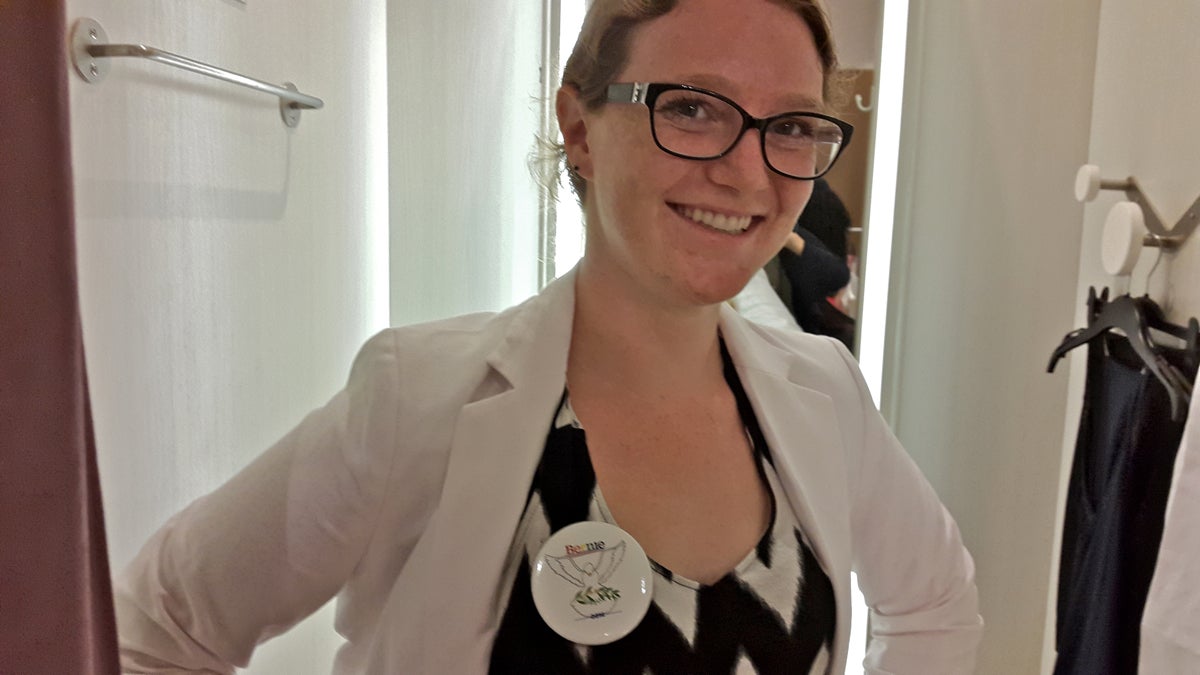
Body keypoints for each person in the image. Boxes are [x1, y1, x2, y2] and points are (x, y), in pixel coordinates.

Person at [114, 1, 983, 673]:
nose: (748, 169)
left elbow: (937, 600)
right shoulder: (420, 401)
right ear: (580, 128)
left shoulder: (822, 389)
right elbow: (158, 626)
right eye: (690, 109)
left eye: (790, 125)